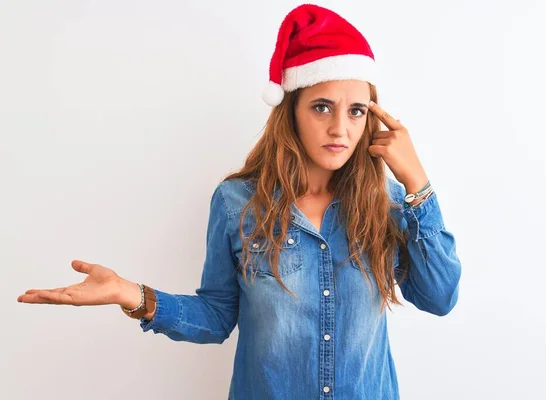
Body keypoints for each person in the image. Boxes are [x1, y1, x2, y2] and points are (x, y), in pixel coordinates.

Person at [17, 4, 462, 399]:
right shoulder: (238, 203)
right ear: (291, 110)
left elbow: (439, 297)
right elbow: (215, 317)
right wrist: (130, 294)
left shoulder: (385, 201)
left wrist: (417, 182)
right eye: (322, 107)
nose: (340, 129)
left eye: (356, 111)